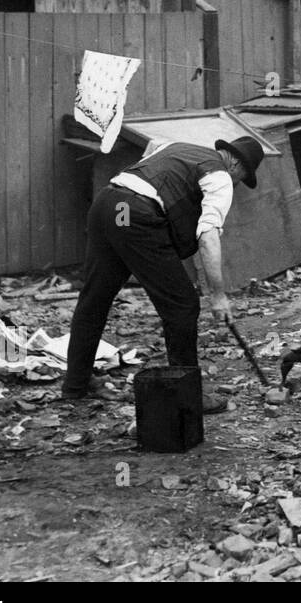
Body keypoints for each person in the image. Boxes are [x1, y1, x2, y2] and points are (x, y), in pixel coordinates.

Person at [62, 136, 264, 413]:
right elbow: (207, 238)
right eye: (244, 177)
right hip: (135, 215)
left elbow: (151, 150)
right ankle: (188, 396)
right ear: (237, 164)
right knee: (183, 306)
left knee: (94, 299)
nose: (239, 183)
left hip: (111, 205)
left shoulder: (178, 147)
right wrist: (218, 296)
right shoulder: (220, 177)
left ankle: (75, 385)